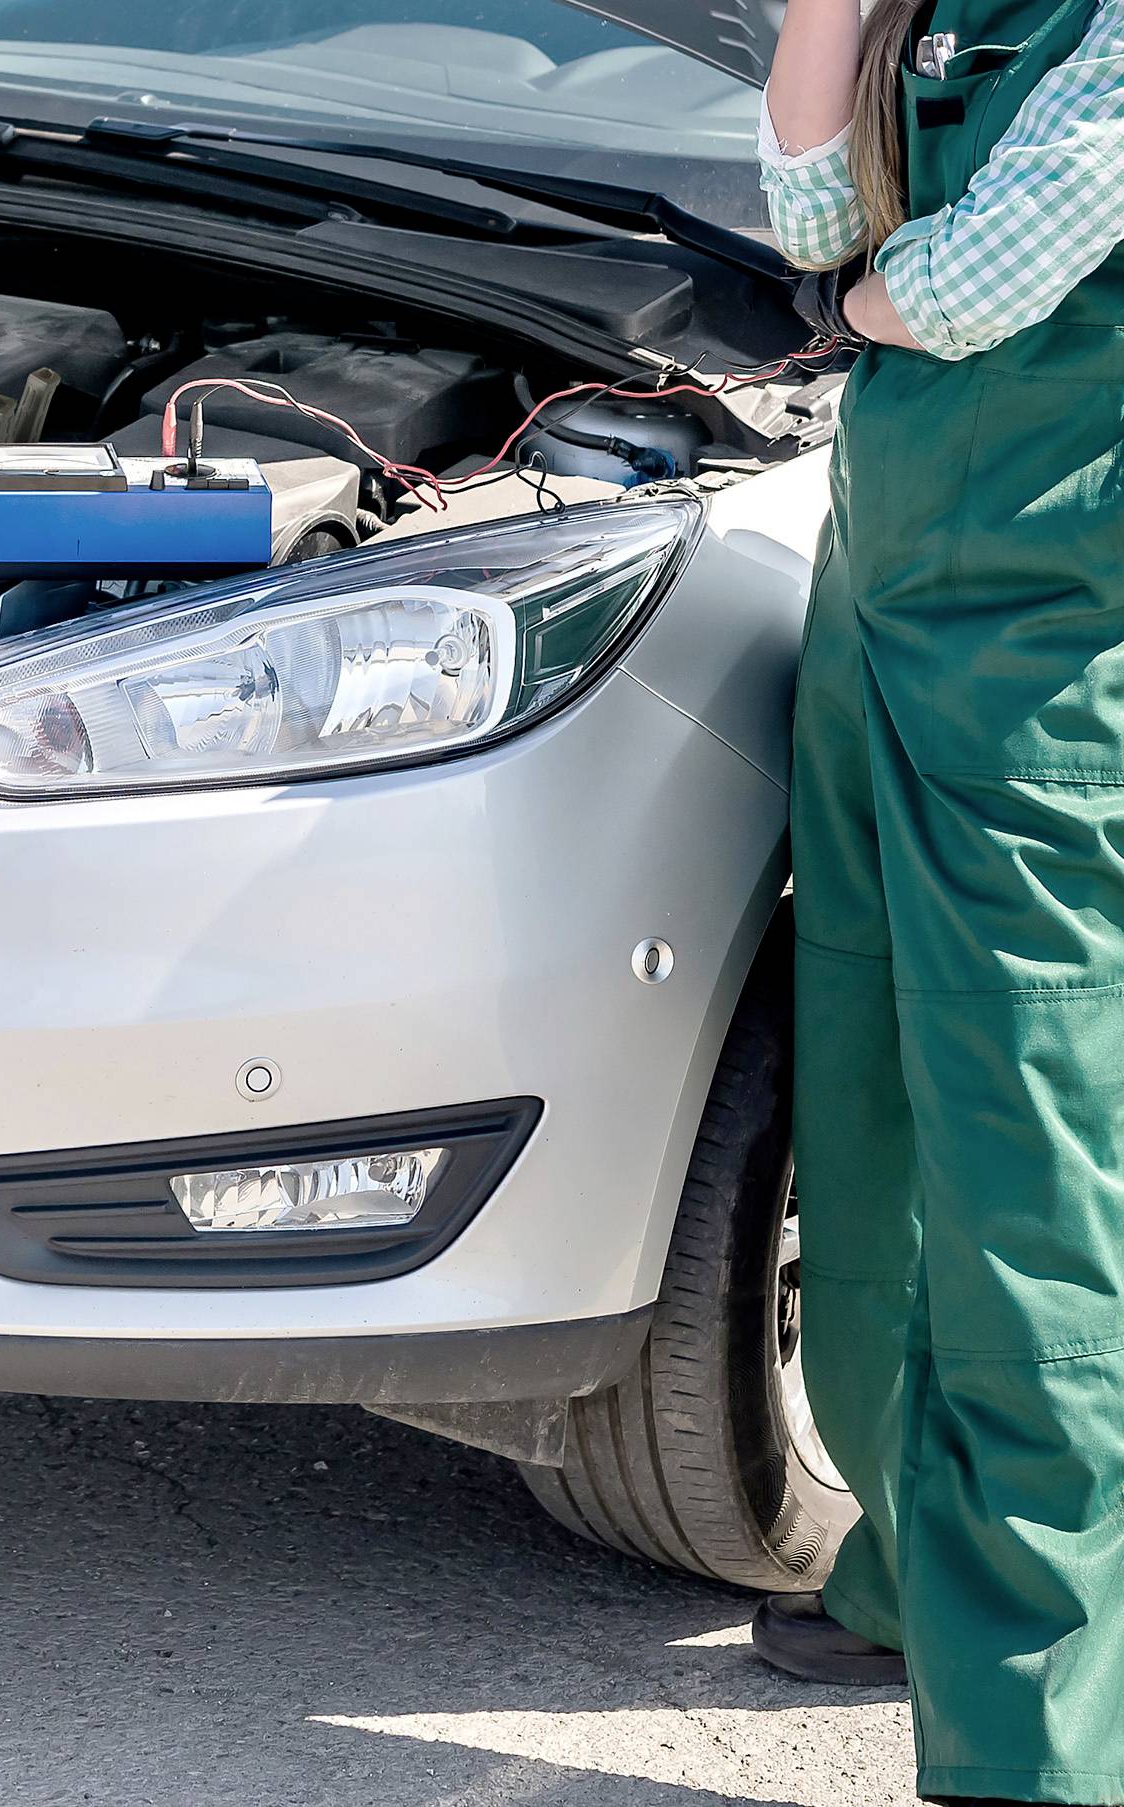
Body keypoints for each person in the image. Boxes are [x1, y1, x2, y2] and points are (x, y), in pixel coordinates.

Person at [753, 1, 1124, 1801]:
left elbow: (975, 285)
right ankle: (912, 1567)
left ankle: (1040, 1744)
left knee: (1027, 1189)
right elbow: (817, 225)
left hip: (1053, 657)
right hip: (888, 593)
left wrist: (857, 301)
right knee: (876, 1104)